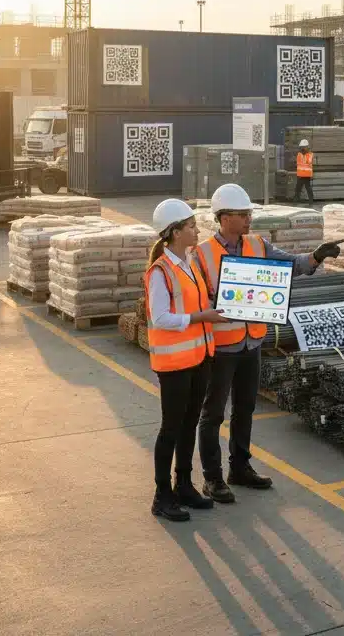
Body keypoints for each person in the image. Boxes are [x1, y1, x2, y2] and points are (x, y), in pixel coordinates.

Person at [193, 183, 342, 503]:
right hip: (220, 348)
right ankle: (213, 478)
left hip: (251, 343)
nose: (249, 218)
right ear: (224, 217)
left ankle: (240, 467)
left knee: (245, 407)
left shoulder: (258, 244)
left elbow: (290, 264)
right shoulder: (202, 254)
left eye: (249, 213)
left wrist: (316, 256)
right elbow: (194, 300)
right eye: (243, 214)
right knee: (214, 413)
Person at [145, 198, 228, 522]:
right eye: (191, 226)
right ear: (176, 232)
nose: (197, 230)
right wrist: (200, 317)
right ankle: (161, 495)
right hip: (174, 365)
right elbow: (161, 317)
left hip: (198, 358)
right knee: (171, 428)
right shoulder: (160, 271)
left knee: (189, 425)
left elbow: (201, 301)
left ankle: (183, 484)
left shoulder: (189, 263)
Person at [293, 138, 314, 203]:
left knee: (308, 188)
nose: (302, 148)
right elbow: (298, 164)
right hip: (300, 175)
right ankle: (296, 200)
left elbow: (309, 163)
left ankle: (311, 201)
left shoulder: (310, 155)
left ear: (307, 147)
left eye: (304, 147)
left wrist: (312, 175)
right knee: (298, 188)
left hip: (306, 175)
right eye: (302, 147)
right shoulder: (299, 154)